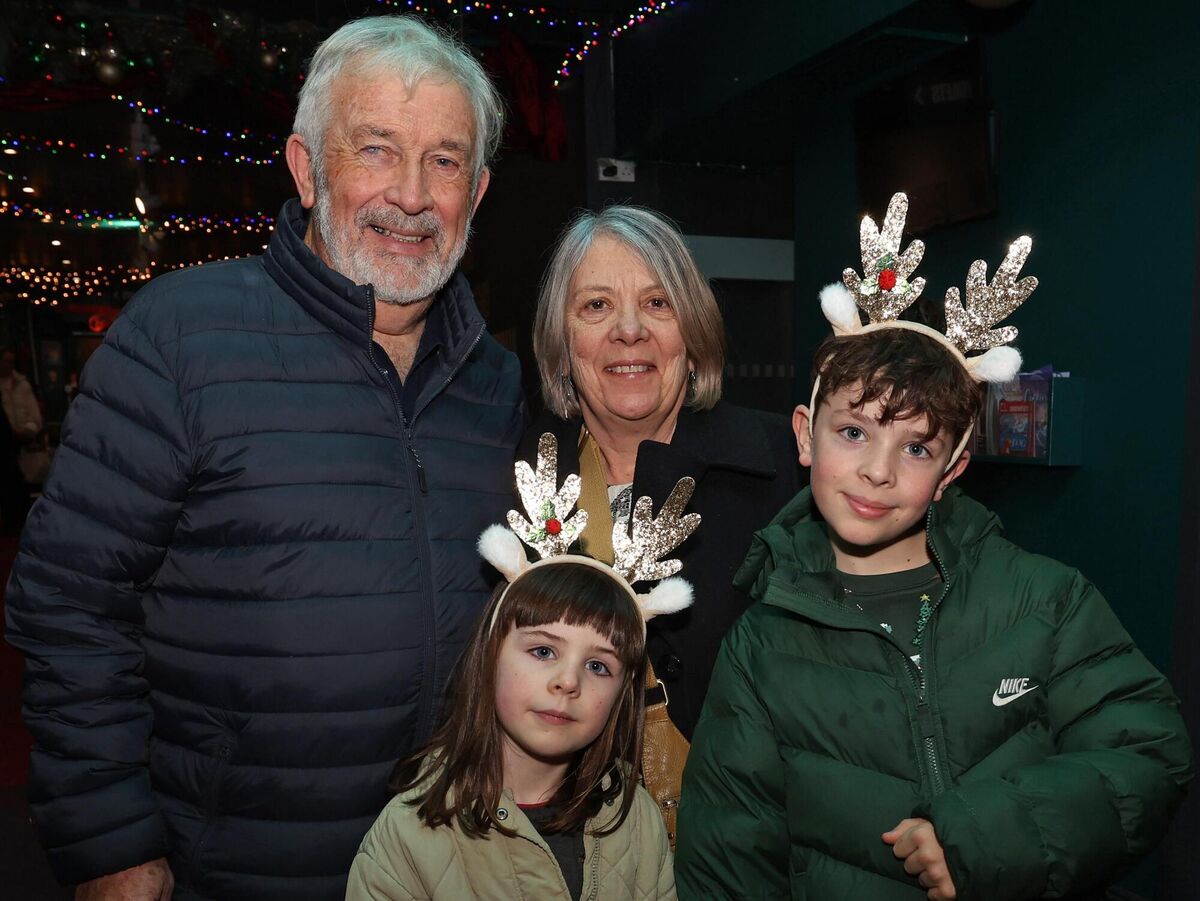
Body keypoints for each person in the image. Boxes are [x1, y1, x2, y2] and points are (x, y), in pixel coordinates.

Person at [4, 16, 524, 901]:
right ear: (306, 167)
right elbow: (69, 605)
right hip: (229, 867)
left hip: (443, 864)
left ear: (474, 193)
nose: (409, 193)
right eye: (375, 149)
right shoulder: (180, 337)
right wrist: (111, 844)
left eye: (442, 161)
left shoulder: (496, 382)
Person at [676, 194, 1192, 900]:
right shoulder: (762, 651)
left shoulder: (1045, 600)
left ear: (952, 469)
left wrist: (988, 837)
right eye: (853, 432)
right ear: (804, 434)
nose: (879, 470)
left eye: (915, 446)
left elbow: (1149, 751)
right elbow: (727, 870)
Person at [347, 438, 681, 899]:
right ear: (490, 654)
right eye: (543, 651)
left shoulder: (635, 818)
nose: (568, 681)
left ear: (624, 691)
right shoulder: (409, 835)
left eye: (599, 666)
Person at [527, 205, 803, 747]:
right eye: (597, 305)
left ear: (695, 336)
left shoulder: (791, 466)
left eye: (658, 303)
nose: (629, 331)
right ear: (562, 348)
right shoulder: (515, 478)